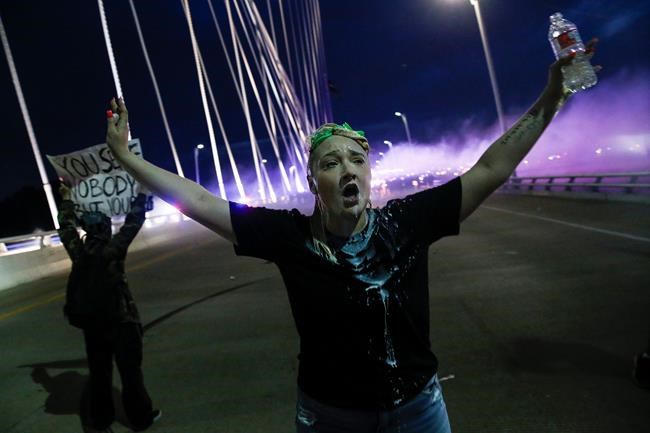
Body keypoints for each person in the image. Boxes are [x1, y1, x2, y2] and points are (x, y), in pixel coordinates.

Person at [105, 41, 599, 433]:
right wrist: (128, 159)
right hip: (329, 418)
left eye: (357, 160)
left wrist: (553, 93)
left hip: (418, 411)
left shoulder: (408, 222)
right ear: (312, 182)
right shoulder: (288, 237)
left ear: (368, 173)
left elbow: (493, 166)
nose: (348, 169)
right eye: (331, 162)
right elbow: (200, 201)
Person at [57, 184, 160, 432]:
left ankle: (101, 420)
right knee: (130, 373)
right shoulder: (114, 249)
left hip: (94, 325)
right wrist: (142, 195)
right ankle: (140, 417)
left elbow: (65, 226)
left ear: (86, 230)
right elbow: (133, 222)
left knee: (100, 374)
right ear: (105, 228)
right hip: (122, 321)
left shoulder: (78, 252)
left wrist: (67, 199)